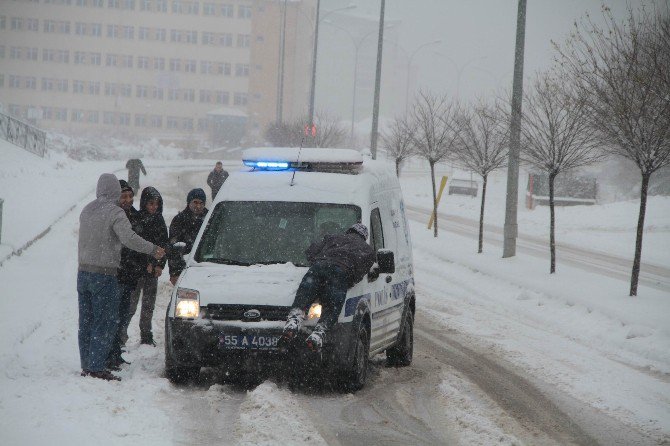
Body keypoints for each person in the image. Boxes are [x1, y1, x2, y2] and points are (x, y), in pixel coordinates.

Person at [78, 173, 165, 381]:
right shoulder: (115, 212)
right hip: (105, 274)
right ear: (115, 191)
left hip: (83, 272)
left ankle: (87, 363)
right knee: (105, 321)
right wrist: (153, 249)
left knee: (86, 320)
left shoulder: (87, 209)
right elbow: (129, 238)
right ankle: (97, 366)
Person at [280, 223, 376, 352]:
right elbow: (360, 272)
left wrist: (318, 260)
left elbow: (311, 251)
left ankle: (293, 321)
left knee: (304, 295)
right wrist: (348, 280)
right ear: (364, 237)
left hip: (318, 267)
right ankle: (318, 333)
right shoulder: (367, 250)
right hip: (340, 272)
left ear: (349, 231)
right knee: (332, 307)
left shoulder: (332, 237)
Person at [109, 180, 144, 369]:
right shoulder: (113, 215)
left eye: (130, 196)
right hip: (116, 275)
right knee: (113, 317)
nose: (128, 200)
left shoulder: (135, 216)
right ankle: (110, 354)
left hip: (130, 275)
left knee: (122, 317)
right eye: (124, 196)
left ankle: (116, 353)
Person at [128, 186, 168, 346]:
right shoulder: (136, 220)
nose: (154, 207)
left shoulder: (159, 220)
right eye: (151, 203)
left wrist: (159, 265)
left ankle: (146, 335)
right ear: (144, 203)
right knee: (131, 305)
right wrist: (145, 264)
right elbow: (134, 246)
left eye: (156, 204)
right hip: (136, 271)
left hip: (152, 272)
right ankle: (121, 335)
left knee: (148, 306)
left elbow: (164, 245)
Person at [168, 188, 209, 285]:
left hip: (205, 266)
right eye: (195, 202)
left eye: (201, 203)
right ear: (188, 202)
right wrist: (174, 272)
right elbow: (173, 248)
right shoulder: (179, 220)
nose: (198, 206)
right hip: (184, 267)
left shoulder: (209, 219)